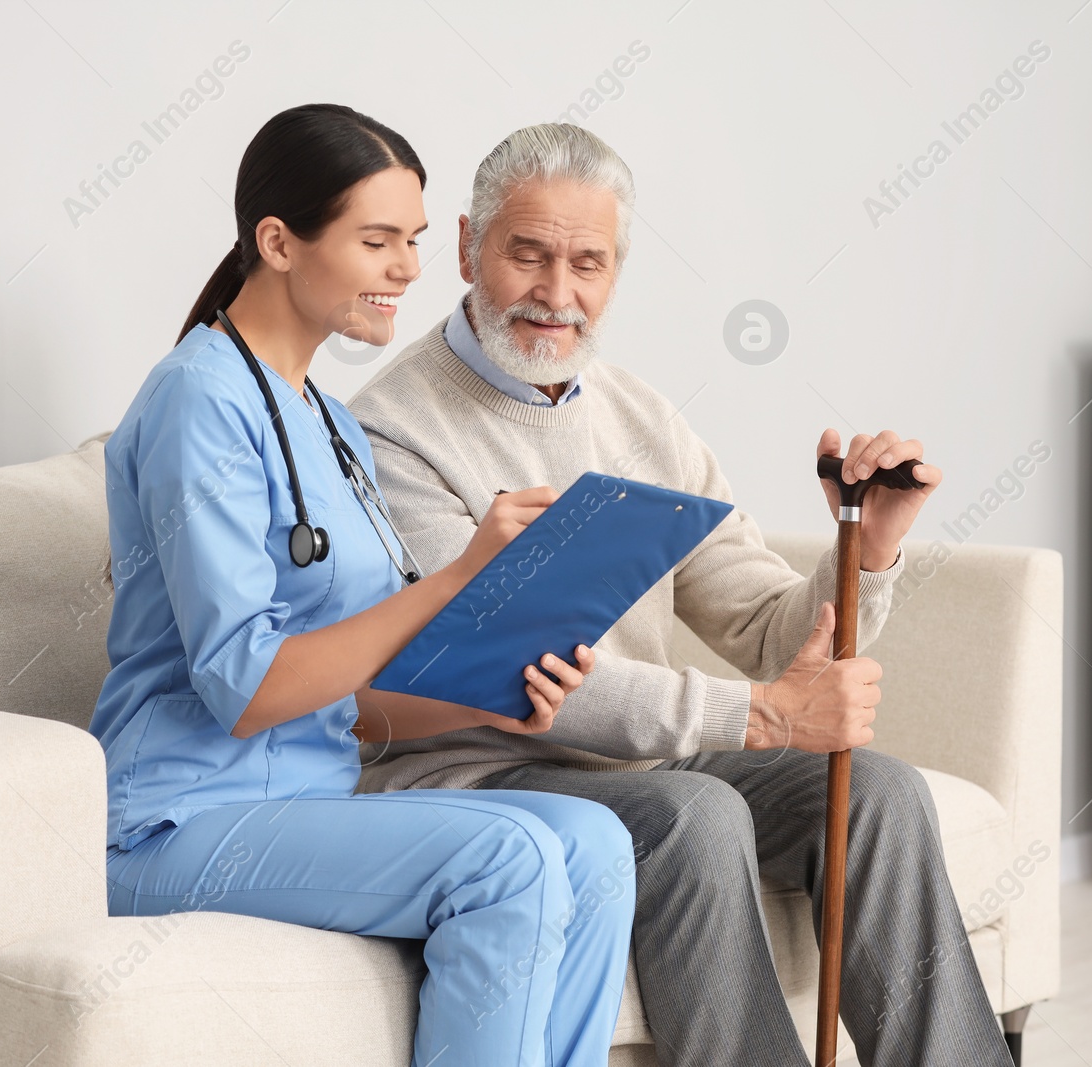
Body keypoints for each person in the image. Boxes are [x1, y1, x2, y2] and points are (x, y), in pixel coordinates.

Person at [347, 123, 1016, 1066]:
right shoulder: (392, 430)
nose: (557, 292)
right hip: (477, 775)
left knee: (880, 791)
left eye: (589, 262)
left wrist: (866, 546)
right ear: (466, 245)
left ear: (617, 271)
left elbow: (763, 624)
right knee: (695, 815)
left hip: (632, 769)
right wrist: (768, 718)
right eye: (526, 254)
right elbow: (510, 672)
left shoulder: (642, 416)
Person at [89, 105, 636, 1067]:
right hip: (177, 819)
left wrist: (494, 701)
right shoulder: (198, 399)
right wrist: (462, 575)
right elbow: (249, 686)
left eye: (416, 241)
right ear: (279, 243)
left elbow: (351, 704)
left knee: (591, 842)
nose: (411, 270)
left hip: (311, 799)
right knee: (506, 860)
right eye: (377, 240)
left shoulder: (333, 426)